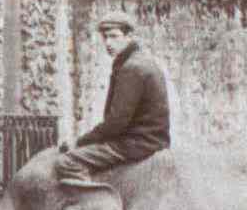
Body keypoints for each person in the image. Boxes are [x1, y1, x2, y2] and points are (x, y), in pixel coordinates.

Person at [56, 11, 171, 188]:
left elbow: (116, 122)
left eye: (114, 36)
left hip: (137, 143)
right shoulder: (142, 61)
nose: (108, 43)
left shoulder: (131, 68)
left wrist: (80, 142)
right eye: (105, 37)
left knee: (67, 162)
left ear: (129, 36)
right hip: (151, 139)